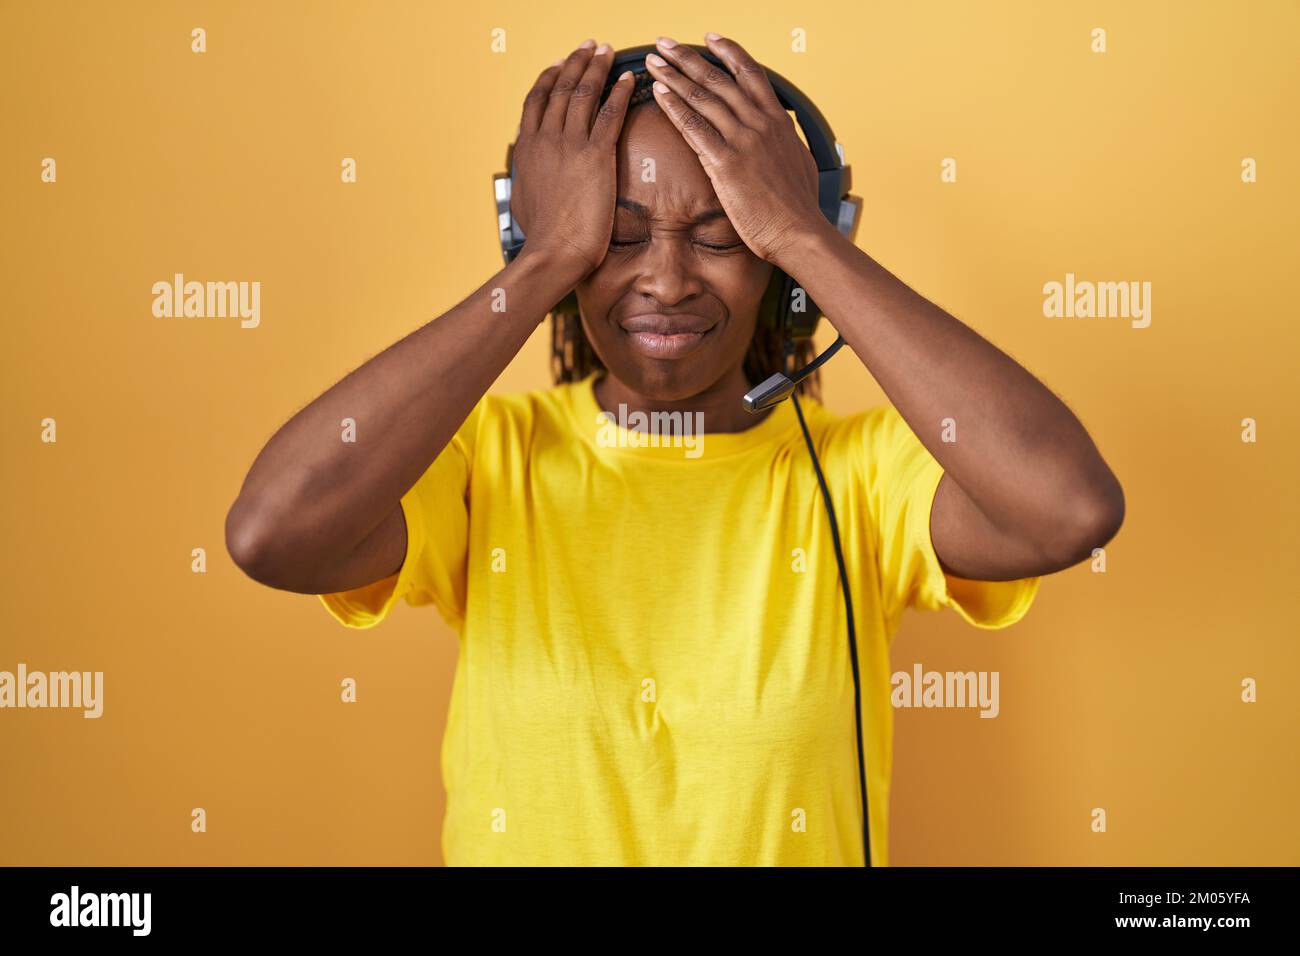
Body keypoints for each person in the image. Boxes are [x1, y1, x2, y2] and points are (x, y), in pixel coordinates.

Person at [225, 34, 1124, 866]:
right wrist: (539, 265)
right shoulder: (489, 461)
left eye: (723, 233)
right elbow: (273, 533)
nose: (664, 278)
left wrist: (804, 237)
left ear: (786, 265)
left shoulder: (862, 476)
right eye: (614, 237)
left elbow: (1070, 510)